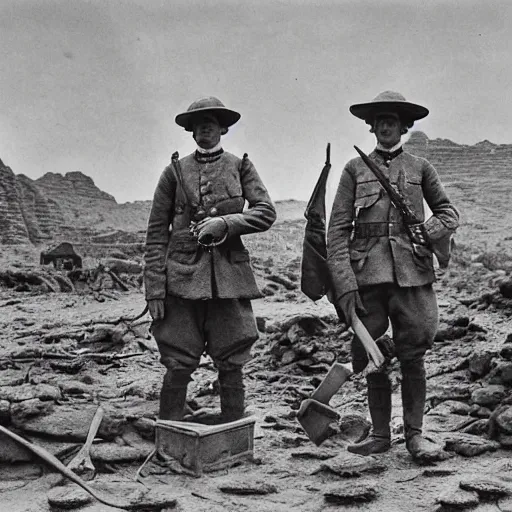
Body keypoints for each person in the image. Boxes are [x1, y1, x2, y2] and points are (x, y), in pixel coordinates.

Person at [326, 91, 459, 462]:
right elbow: (337, 230)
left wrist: (429, 231)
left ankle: (415, 435)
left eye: (393, 120)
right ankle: (381, 435)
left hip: (413, 275)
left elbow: (449, 213)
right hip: (366, 278)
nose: (386, 126)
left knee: (413, 353)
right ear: (371, 126)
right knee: (372, 354)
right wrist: (344, 282)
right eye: (379, 120)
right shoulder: (355, 168)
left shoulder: (420, 168)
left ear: (404, 126)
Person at [144, 96, 276, 423]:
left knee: (232, 361)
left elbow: (266, 212)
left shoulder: (240, 166)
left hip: (229, 279)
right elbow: (157, 233)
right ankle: (170, 436)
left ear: (223, 128)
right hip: (181, 280)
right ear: (191, 131)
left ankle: (234, 438)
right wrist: (155, 290)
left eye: (212, 123)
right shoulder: (173, 172)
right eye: (199, 124)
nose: (205, 128)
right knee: (177, 360)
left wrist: (227, 224)